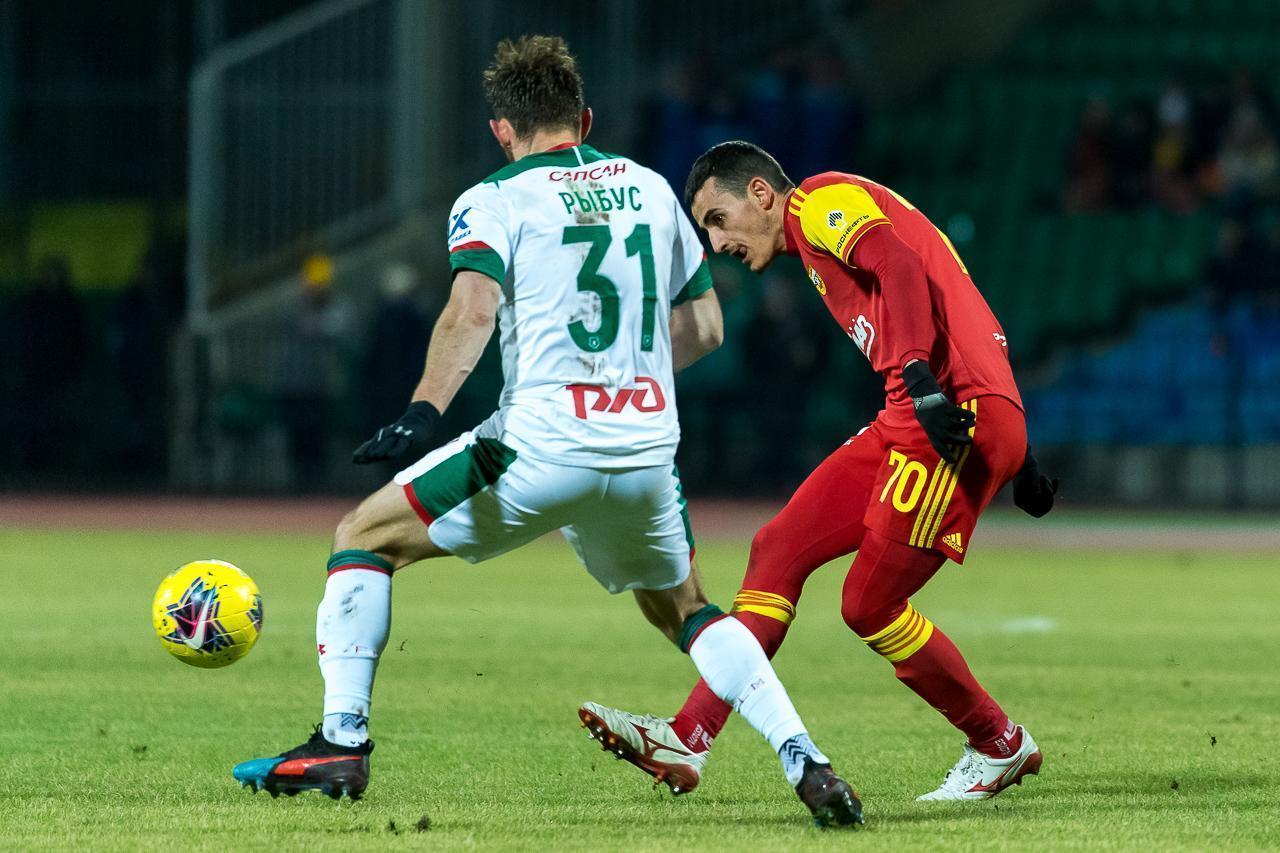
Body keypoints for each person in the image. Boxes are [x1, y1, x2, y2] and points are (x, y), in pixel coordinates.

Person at [232, 40, 861, 828]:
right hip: (644, 451)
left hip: (534, 446)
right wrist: (625, 375)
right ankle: (806, 758)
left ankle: (341, 741)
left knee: (362, 536)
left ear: (502, 129)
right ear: (585, 120)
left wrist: (423, 410)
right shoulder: (650, 187)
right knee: (689, 610)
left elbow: (472, 310)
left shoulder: (493, 198)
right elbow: (705, 327)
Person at [581, 141, 1059, 802]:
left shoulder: (818, 202)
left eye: (718, 219)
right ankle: (688, 736)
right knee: (778, 547)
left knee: (870, 603)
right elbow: (959, 298)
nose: (716, 243)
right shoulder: (819, 234)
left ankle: (998, 742)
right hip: (924, 408)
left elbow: (899, 264)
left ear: (760, 194)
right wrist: (1019, 451)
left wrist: (925, 381)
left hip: (945, 411)